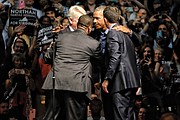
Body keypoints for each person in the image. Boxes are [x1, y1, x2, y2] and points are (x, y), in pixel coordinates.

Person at [42, 14, 102, 120]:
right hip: (77, 85)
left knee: (51, 117)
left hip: (56, 82)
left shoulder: (61, 37)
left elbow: (47, 57)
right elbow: (98, 63)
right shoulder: (94, 44)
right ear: (89, 28)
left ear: (78, 25)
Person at [101, 6, 140, 120]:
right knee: (130, 116)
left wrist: (107, 79)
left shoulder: (113, 33)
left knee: (120, 116)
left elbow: (115, 57)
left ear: (105, 19)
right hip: (131, 81)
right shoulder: (126, 34)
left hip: (120, 82)